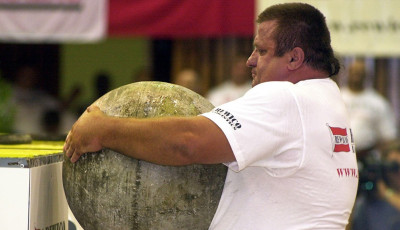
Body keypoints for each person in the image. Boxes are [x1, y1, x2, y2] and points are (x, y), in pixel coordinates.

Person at [64, 3, 358, 229]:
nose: (250, 61)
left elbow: (187, 142)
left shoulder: (287, 98)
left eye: (261, 50)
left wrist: (103, 130)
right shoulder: (327, 100)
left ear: (294, 58)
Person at [341, 60, 397, 165]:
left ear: (367, 76)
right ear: (348, 73)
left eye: (360, 73)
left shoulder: (377, 102)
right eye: (354, 72)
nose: (356, 76)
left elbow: (388, 136)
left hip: (367, 159)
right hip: (339, 156)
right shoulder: (337, 97)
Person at [351, 140, 400, 230]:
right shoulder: (367, 203)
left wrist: (386, 193)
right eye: (394, 168)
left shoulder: (387, 195)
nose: (398, 173)